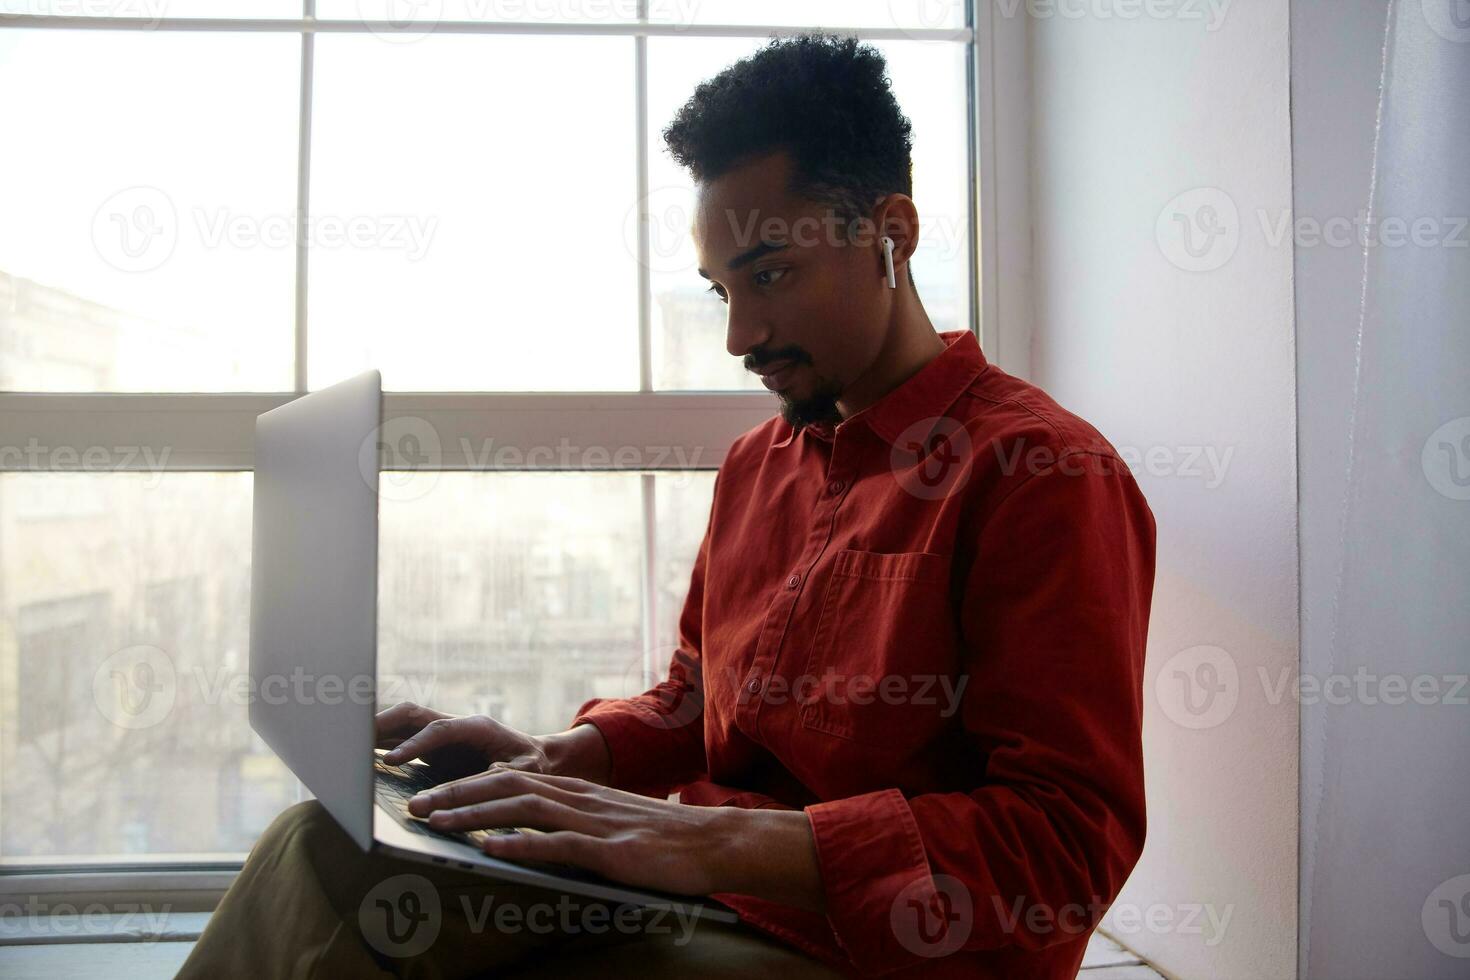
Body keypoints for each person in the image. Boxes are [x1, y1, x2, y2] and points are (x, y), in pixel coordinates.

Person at [179, 32, 1156, 979]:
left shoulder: (1040, 472)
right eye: (719, 288)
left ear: (890, 234)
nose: (741, 333)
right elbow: (698, 695)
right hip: (696, 890)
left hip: (874, 948)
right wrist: (570, 755)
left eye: (770, 273)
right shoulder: (758, 464)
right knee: (322, 848)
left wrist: (711, 837)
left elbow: (1065, 845)